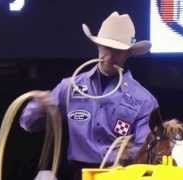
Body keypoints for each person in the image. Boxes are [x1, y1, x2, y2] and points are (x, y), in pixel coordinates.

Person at [19, 11, 159, 180]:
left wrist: (130, 155)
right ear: (98, 46)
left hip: (118, 175)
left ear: (128, 53)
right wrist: (39, 106)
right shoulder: (70, 87)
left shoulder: (144, 100)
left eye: (118, 50)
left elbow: (146, 147)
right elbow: (28, 124)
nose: (109, 55)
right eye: (106, 47)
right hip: (78, 174)